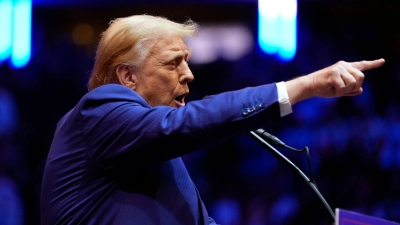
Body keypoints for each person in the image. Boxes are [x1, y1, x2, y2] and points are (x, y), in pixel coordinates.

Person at [40, 14, 385, 225]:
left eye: (186, 61)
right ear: (127, 77)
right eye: (174, 63)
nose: (189, 74)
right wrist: (306, 86)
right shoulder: (98, 110)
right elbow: (184, 124)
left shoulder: (157, 154)